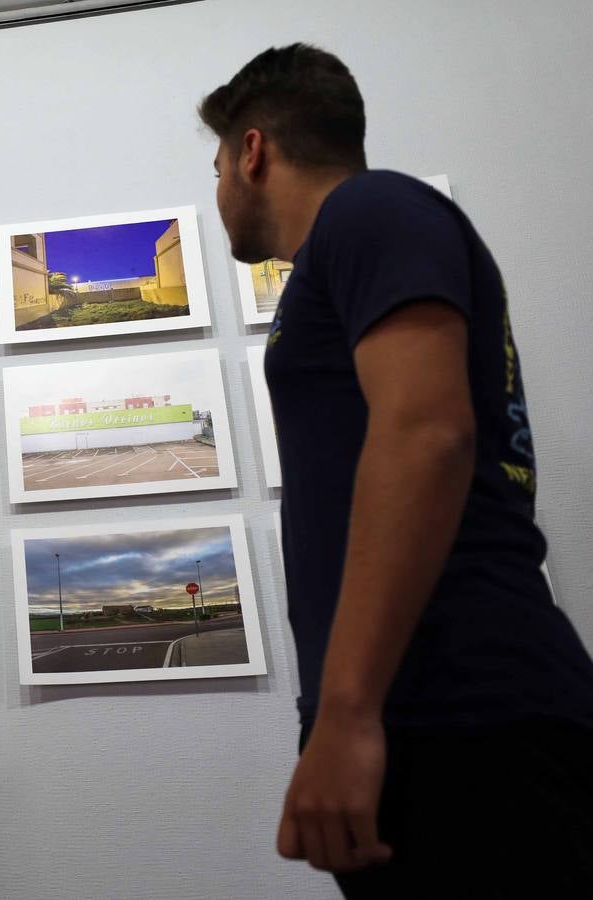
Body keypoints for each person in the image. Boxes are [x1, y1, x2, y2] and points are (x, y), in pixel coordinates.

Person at [201, 44, 593, 896]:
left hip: (462, 712)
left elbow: (426, 434)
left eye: (219, 166)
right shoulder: (354, 243)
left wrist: (346, 717)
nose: (221, 192)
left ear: (254, 150)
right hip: (436, 712)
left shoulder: (371, 208)